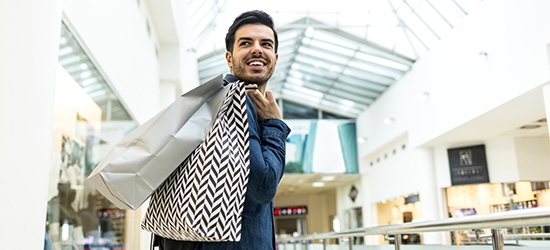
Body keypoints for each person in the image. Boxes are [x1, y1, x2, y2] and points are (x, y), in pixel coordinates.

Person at [154, 10, 291, 250]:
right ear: (230, 58)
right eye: (246, 43)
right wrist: (274, 125)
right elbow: (263, 187)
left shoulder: (214, 99)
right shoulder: (237, 100)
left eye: (265, 44)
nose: (257, 49)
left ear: (275, 58)